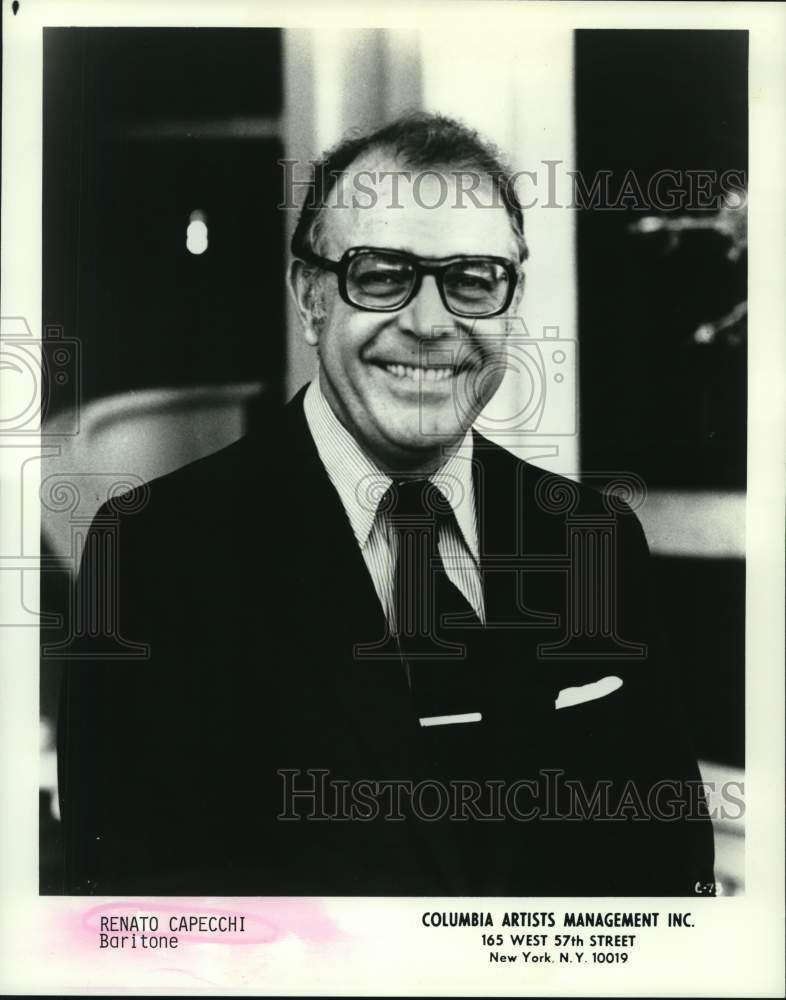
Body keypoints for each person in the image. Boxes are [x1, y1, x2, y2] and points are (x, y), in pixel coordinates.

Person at [58, 112, 714, 896]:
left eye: (473, 279)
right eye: (381, 274)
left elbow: (671, 875)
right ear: (310, 297)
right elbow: (137, 921)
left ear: (511, 300)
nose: (431, 323)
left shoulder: (593, 539)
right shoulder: (153, 554)